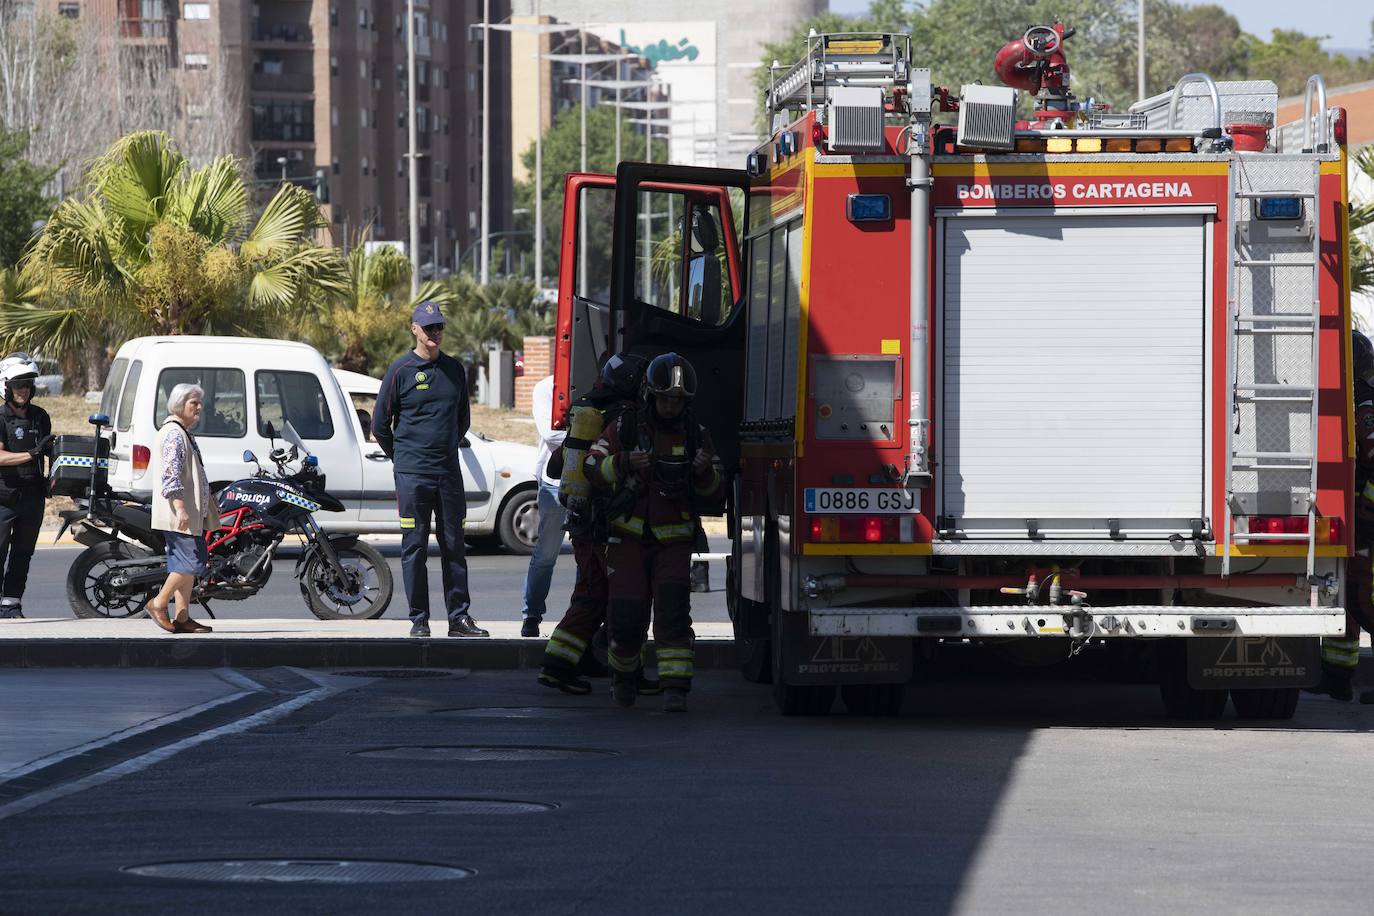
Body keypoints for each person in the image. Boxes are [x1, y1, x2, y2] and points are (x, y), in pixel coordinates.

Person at [586, 352, 723, 712]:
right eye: (664, 398)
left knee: (674, 614)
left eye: (677, 401)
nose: (670, 406)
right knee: (627, 617)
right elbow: (592, 467)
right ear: (650, 395)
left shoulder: (697, 436)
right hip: (627, 540)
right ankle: (624, 679)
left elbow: (717, 492)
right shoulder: (624, 429)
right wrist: (623, 462)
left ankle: (675, 687)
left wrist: (704, 472)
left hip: (673, 544)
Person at [374, 301, 488, 638]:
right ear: (414, 329)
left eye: (439, 327)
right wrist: (404, 457)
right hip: (412, 476)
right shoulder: (400, 370)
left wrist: (444, 448)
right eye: (428, 328)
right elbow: (381, 424)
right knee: (415, 547)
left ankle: (459, 619)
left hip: (448, 473)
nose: (435, 333)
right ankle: (419, 620)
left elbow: (462, 420)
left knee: (454, 545)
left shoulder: (454, 370)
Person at [537, 353, 650, 694]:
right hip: (606, 524)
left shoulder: (587, 414)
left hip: (584, 521)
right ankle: (567, 668)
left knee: (594, 593)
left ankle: (575, 659)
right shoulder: (623, 420)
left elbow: (557, 468)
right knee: (618, 596)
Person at [1309, 330, 1374, 700]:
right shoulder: (1350, 401)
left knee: (1363, 600)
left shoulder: (1364, 404)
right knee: (1347, 599)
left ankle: (1338, 679)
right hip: (1352, 521)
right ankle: (1336, 679)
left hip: (1366, 522)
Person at [145, 383, 215, 634]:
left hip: (189, 514)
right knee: (191, 563)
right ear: (179, 404)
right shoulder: (174, 433)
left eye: (199, 403)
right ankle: (159, 603)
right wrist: (181, 508)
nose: (198, 408)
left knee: (184, 566)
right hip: (180, 515)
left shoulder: (181, 431)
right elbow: (170, 475)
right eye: (193, 403)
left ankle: (182, 617)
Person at [0, 354, 52, 618]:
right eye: (18, 384)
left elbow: (49, 452)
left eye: (28, 385)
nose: (24, 390)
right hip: (4, 498)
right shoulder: (0, 417)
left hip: (33, 497)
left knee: (23, 554)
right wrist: (32, 454)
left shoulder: (40, 416)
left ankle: (11, 605)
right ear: (6, 386)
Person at [519, 375, 567, 637]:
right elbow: (551, 434)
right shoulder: (547, 388)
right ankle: (532, 616)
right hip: (555, 482)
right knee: (547, 554)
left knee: (592, 555)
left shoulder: (598, 385)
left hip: (593, 479)